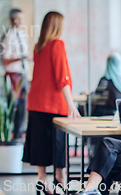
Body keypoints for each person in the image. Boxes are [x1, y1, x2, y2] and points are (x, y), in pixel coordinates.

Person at [22, 11, 81, 195]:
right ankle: (60, 180)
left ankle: (42, 181)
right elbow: (61, 78)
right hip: (54, 104)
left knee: (40, 142)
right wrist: (71, 104)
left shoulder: (38, 47)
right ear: (57, 26)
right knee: (58, 144)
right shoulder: (57, 44)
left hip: (36, 102)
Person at [0, 8, 30, 140]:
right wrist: (21, 58)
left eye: (21, 18)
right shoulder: (7, 36)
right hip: (12, 75)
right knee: (13, 106)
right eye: (18, 18)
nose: (20, 21)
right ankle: (9, 136)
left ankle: (18, 135)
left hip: (23, 74)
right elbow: (4, 60)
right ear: (12, 19)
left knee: (23, 107)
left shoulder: (23, 35)